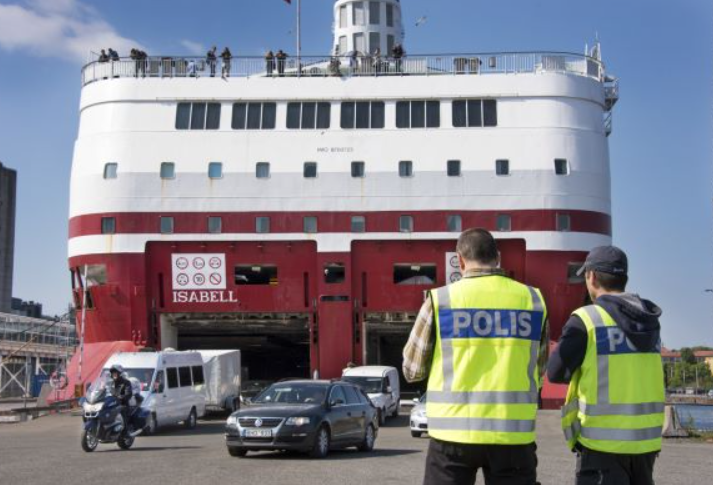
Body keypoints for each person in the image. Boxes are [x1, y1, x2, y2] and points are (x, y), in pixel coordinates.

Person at [403, 228, 549, 485]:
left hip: (453, 436)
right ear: (498, 257)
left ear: (459, 260)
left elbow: (412, 370)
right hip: (512, 436)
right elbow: (539, 368)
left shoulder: (441, 300)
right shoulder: (533, 300)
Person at [547, 246, 665, 485]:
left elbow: (555, 371)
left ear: (591, 276)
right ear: (625, 278)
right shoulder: (649, 322)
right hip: (645, 445)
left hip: (601, 446)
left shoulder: (587, 319)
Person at [109, 365, 133, 431]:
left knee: (122, 414)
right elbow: (104, 391)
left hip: (122, 404)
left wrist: (121, 397)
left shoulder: (126, 382)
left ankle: (125, 432)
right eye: (113, 373)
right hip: (111, 405)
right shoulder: (110, 383)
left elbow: (129, 394)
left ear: (120, 373)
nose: (114, 374)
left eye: (115, 373)